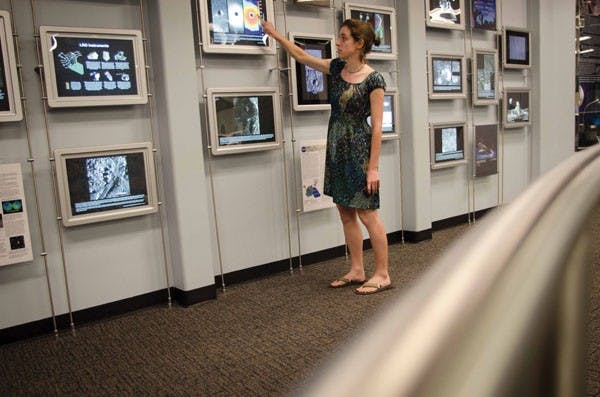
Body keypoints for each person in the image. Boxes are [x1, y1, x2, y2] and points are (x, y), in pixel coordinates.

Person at [261, 18, 392, 295]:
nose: (339, 42)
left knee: (368, 214)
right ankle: (357, 269)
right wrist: (275, 34)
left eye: (344, 38)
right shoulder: (335, 68)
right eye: (339, 37)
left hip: (359, 152)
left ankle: (382, 274)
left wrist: (373, 168)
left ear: (359, 43)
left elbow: (378, 127)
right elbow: (301, 56)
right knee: (345, 212)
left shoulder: (374, 79)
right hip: (337, 149)